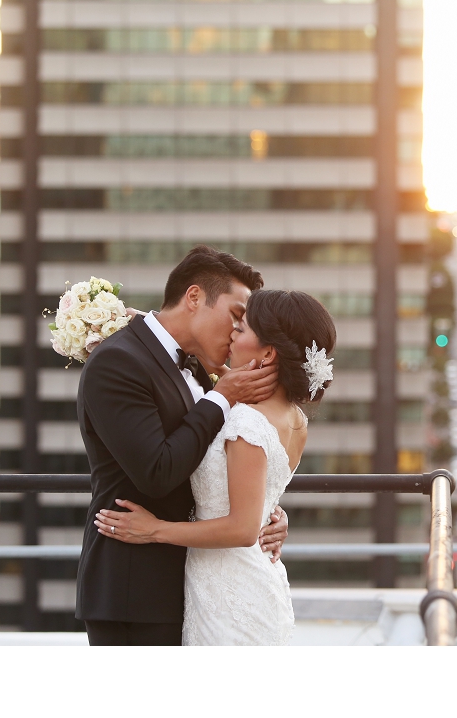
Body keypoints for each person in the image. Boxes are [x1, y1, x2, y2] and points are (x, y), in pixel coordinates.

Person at [94, 290, 336, 645]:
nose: (233, 333)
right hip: (248, 580)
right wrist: (148, 325)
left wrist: (155, 529)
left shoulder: (245, 423)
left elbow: (241, 528)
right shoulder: (294, 418)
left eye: (243, 328)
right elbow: (258, 493)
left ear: (268, 353)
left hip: (228, 593)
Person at [75, 246, 290, 646]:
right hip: (134, 590)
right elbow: (157, 472)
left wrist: (264, 511)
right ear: (194, 298)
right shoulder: (117, 362)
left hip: (195, 586)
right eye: (236, 316)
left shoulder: (198, 370)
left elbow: (210, 462)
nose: (237, 332)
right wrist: (221, 397)